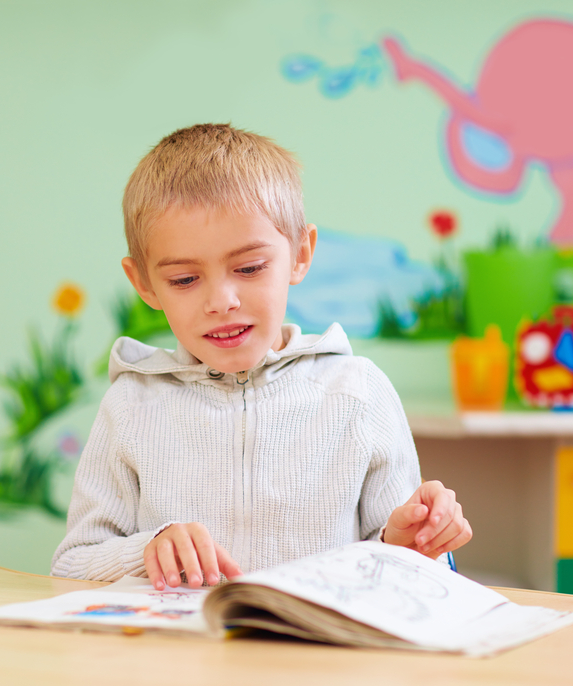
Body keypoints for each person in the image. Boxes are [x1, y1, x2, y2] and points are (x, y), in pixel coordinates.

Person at [52, 123, 471, 590]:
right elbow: (71, 565)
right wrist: (148, 548)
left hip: (319, 659)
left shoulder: (358, 392)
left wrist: (415, 541)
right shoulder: (131, 405)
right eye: (185, 280)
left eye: (249, 268)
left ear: (300, 254)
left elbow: (403, 569)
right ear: (145, 283)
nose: (221, 300)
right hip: (179, 659)